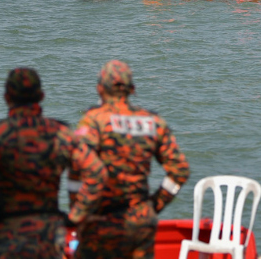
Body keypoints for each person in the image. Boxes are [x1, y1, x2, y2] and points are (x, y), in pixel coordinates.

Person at [71, 60, 191, 259]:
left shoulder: (93, 122)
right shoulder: (153, 122)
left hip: (102, 222)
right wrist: (155, 205)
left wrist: (78, 213)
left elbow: (79, 167)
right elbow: (180, 170)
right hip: (141, 222)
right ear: (132, 89)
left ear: (100, 89)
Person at [0, 68, 108, 259]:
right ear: (41, 96)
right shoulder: (60, 133)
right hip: (48, 234)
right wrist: (76, 216)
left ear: (7, 97)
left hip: (7, 234)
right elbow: (97, 172)